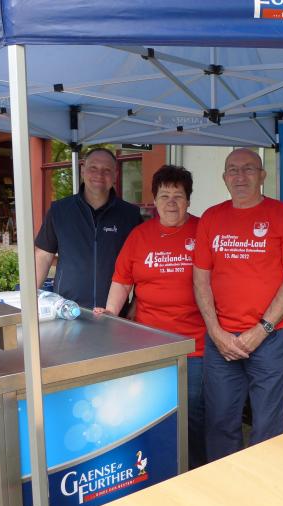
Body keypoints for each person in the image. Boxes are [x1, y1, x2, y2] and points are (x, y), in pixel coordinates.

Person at [193, 148, 283, 461]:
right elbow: (201, 280)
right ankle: (225, 481)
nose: (240, 176)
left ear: (262, 176)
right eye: (233, 170)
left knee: (267, 424)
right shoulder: (211, 218)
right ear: (224, 178)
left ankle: (261, 482)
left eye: (248, 169)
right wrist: (215, 332)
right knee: (220, 421)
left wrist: (261, 330)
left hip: (272, 337)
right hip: (222, 339)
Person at [96, 165, 207, 469]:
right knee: (153, 410)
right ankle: (160, 469)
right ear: (154, 200)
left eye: (178, 196)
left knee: (193, 414)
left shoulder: (204, 230)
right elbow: (122, 281)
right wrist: (111, 313)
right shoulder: (139, 236)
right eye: (164, 195)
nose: (171, 202)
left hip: (195, 345)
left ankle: (197, 471)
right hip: (150, 345)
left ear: (188, 200)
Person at [34, 148, 141, 308]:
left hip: (114, 313)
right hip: (66, 310)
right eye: (93, 168)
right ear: (83, 170)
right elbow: (43, 256)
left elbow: (142, 266)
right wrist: (28, 300)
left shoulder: (130, 215)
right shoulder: (59, 211)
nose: (99, 175)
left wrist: (135, 305)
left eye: (107, 170)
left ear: (115, 175)